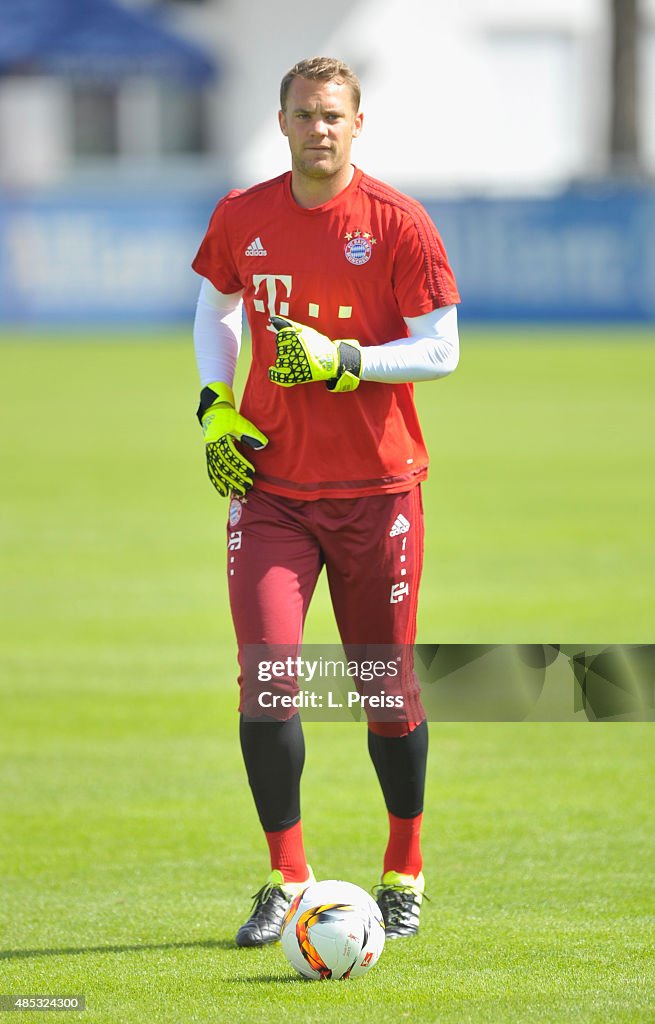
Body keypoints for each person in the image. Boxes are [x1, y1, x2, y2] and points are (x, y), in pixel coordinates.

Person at [191, 56, 460, 946]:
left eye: (333, 115)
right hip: (269, 490)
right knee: (267, 680)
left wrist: (346, 360)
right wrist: (213, 404)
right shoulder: (243, 215)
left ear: (356, 123)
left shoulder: (397, 224)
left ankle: (404, 867)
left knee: (384, 690)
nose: (318, 128)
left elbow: (440, 350)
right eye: (304, 114)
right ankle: (286, 875)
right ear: (281, 121)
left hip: (378, 491)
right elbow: (215, 309)